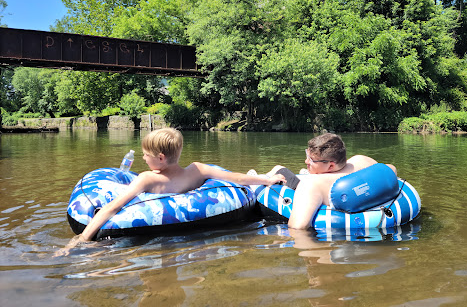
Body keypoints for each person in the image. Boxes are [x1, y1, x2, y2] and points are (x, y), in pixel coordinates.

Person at [55, 128, 285, 256]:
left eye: (146, 155)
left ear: (160, 158)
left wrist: (81, 239)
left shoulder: (146, 180)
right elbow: (237, 178)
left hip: (146, 226)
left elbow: (113, 207)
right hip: (194, 221)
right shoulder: (197, 170)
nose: (143, 158)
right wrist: (266, 179)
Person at [267, 133, 396, 230]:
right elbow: (391, 170)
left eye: (311, 160)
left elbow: (297, 228)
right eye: (307, 155)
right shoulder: (362, 160)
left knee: (278, 170)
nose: (306, 161)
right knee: (281, 170)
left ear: (330, 166)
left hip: (316, 192)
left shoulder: (311, 184)